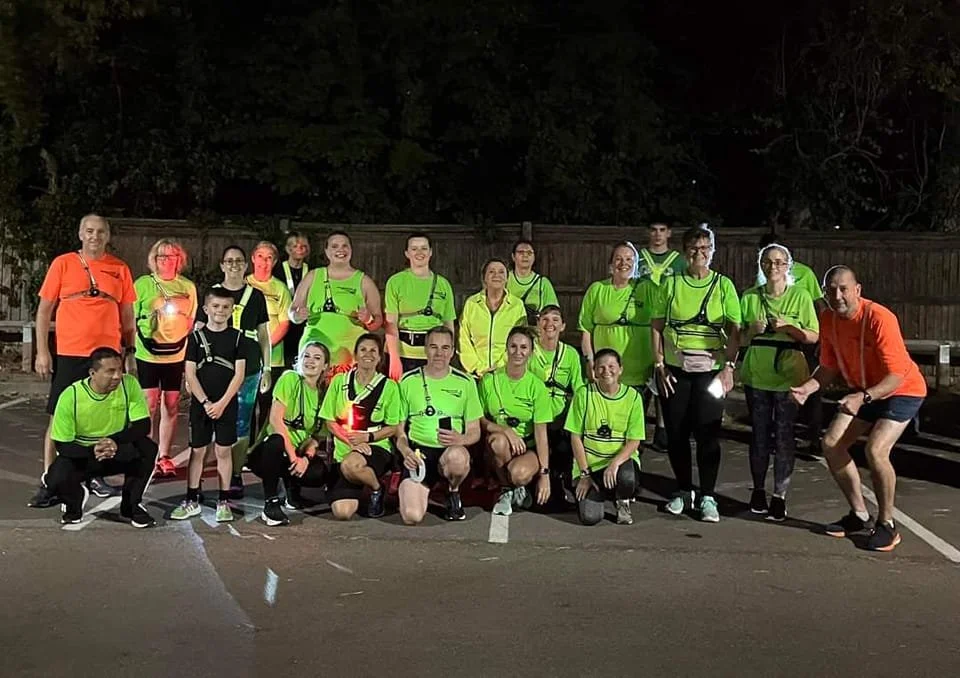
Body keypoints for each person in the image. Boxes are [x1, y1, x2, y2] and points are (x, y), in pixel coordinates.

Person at [790, 266, 926, 552]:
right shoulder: (828, 319)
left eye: (843, 289)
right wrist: (808, 387)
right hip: (866, 392)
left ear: (858, 290)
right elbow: (828, 367)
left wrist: (862, 397)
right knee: (831, 444)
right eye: (830, 290)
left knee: (876, 450)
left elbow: (896, 376)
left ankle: (887, 524)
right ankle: (860, 515)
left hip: (901, 390)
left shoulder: (879, 318)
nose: (837, 296)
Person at [30, 214, 137, 508]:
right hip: (71, 353)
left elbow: (127, 317)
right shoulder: (62, 264)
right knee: (59, 418)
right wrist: (43, 351)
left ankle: (93, 475)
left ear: (108, 235)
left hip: (107, 355)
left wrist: (130, 354)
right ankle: (49, 480)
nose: (95, 236)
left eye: (100, 231)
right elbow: (43, 312)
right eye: (89, 231)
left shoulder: (119, 269)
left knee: (101, 419)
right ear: (80, 233)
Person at [651, 225, 741, 523]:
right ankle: (683, 490)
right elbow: (657, 325)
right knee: (676, 434)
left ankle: (708, 496)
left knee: (708, 435)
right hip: (675, 371)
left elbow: (735, 328)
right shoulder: (671, 284)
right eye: (693, 249)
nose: (699, 254)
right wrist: (660, 364)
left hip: (710, 373)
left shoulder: (722, 285)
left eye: (705, 249)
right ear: (684, 252)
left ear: (712, 252)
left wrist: (729, 366)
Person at [740, 243, 819, 521]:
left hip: (789, 375)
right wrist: (752, 330)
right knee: (759, 434)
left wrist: (789, 328)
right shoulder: (749, 297)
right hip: (757, 373)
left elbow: (812, 336)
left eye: (779, 262)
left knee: (785, 436)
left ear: (788, 266)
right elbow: (738, 339)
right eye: (768, 262)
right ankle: (758, 490)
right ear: (761, 266)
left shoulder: (800, 297)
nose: (773, 267)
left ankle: (780, 496)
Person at [46, 347, 158, 527]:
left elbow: (142, 426)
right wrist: (93, 450)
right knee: (55, 478)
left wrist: (114, 441)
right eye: (110, 371)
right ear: (93, 373)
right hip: (83, 454)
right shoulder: (71, 396)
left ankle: (131, 507)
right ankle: (74, 504)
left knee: (147, 448)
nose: (117, 376)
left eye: (120, 370)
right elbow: (62, 446)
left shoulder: (129, 384)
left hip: (115, 450)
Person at [195, 246, 271, 498]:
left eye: (239, 261)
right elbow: (198, 331)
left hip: (247, 368)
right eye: (229, 261)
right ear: (222, 265)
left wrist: (267, 368)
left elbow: (263, 335)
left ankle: (235, 473)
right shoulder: (213, 295)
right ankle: (200, 480)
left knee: (241, 423)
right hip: (214, 370)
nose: (234, 265)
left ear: (245, 265)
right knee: (208, 422)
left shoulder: (256, 296)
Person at [172, 288, 247, 522]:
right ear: (206, 309)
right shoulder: (195, 338)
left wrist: (222, 403)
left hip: (226, 404)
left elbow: (239, 374)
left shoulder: (238, 338)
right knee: (198, 450)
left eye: (225, 307)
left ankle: (224, 501)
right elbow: (191, 374)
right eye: (215, 307)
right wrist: (205, 402)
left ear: (232, 310)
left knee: (224, 451)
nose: (220, 311)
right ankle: (192, 499)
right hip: (201, 404)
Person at [396, 326, 482, 524]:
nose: (439, 353)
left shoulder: (466, 382)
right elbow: (398, 431)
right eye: (433, 347)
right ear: (425, 349)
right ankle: (420, 490)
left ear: (452, 351)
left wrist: (461, 439)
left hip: (449, 453)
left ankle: (453, 491)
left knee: (458, 458)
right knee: (412, 516)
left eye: (445, 348)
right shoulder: (407, 381)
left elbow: (475, 431)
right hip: (419, 454)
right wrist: (406, 451)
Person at [758, 233, 828, 455]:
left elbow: (819, 305)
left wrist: (821, 337)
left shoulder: (804, 273)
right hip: (773, 342)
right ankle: (777, 435)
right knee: (776, 389)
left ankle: (814, 436)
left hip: (802, 337)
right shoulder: (762, 276)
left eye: (778, 258)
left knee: (811, 387)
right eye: (766, 257)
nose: (772, 265)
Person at [133, 238, 198, 477]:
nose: (166, 261)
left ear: (179, 260)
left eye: (171, 256)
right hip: (148, 353)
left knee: (171, 405)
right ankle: (146, 453)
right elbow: (131, 318)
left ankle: (165, 455)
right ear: (153, 259)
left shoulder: (187, 287)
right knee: (149, 403)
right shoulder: (142, 285)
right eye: (161, 256)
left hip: (175, 354)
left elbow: (191, 323)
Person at [248, 341, 330, 526]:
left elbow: (315, 438)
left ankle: (292, 490)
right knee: (276, 441)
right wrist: (294, 458)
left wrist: (306, 459)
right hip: (269, 451)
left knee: (319, 472)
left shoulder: (323, 394)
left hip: (296, 453)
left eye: (317, 358)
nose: (310, 361)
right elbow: (275, 420)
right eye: (306, 356)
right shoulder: (290, 378)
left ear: (325, 365)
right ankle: (271, 503)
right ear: (299, 359)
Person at [321, 334, 402, 520]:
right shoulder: (339, 381)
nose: (368, 354)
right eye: (363, 350)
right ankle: (357, 484)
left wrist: (368, 438)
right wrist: (350, 441)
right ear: (355, 355)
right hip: (345, 447)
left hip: (375, 447)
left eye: (373, 350)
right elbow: (329, 421)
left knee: (352, 465)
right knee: (342, 512)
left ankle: (376, 488)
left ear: (380, 357)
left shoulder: (389, 387)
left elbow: (393, 427)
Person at [564, 349, 645, 526]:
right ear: (594, 371)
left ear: (621, 369)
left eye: (611, 366)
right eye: (600, 367)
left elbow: (634, 441)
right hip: (590, 465)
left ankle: (622, 501)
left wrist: (615, 463)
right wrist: (584, 474)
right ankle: (598, 491)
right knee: (590, 517)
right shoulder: (584, 394)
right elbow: (575, 436)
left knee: (627, 478)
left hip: (618, 463)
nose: (606, 371)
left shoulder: (633, 397)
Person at [479, 327, 553, 516]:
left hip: (527, 446)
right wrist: (505, 430)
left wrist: (545, 474)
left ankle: (517, 484)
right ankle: (506, 489)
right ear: (506, 348)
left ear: (530, 351)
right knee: (498, 441)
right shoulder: (489, 380)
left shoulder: (537, 386)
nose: (518, 352)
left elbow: (541, 433)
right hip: (499, 445)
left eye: (523, 347)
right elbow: (479, 418)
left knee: (518, 474)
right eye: (513, 346)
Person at [289, 231, 383, 370]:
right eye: (335, 246)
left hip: (349, 352)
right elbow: (292, 311)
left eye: (345, 246)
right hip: (315, 350)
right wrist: (297, 316)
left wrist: (369, 319)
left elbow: (378, 320)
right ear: (326, 251)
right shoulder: (312, 276)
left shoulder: (364, 281)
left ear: (351, 250)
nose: (340, 250)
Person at [637, 221, 687, 451]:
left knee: (663, 374)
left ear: (669, 232)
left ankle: (662, 429)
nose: (657, 234)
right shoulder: (638, 258)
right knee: (639, 379)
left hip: (665, 321)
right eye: (653, 229)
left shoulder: (678, 260)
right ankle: (635, 429)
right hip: (638, 321)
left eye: (662, 230)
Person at [528, 305, 584, 502]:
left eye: (555, 320)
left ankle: (563, 482)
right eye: (544, 319)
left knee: (565, 442)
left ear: (563, 326)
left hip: (560, 416)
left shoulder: (570, 354)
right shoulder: (529, 350)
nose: (549, 324)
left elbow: (579, 389)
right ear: (537, 324)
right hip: (534, 414)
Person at [384, 232, 456, 379]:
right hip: (404, 353)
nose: (419, 252)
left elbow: (449, 324)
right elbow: (391, 324)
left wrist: (448, 356)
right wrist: (394, 359)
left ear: (430, 252)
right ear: (407, 253)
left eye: (423, 248)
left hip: (435, 355)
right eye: (414, 248)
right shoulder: (396, 282)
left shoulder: (443, 284)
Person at [578, 242, 649, 389]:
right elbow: (586, 329)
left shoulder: (647, 289)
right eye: (618, 259)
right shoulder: (597, 289)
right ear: (611, 265)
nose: (624, 263)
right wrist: (590, 361)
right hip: (606, 372)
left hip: (640, 373)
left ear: (636, 264)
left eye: (629, 259)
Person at [246, 241, 292, 435]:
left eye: (269, 258)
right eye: (260, 257)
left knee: (266, 407)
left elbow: (284, 322)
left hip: (272, 358)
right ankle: (241, 451)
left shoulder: (280, 289)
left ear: (274, 262)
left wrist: (265, 346)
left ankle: (260, 448)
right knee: (246, 407)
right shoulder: (244, 283)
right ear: (253, 258)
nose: (264, 262)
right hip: (245, 358)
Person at [458, 258, 526, 378]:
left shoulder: (517, 305)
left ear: (506, 278)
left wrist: (500, 366)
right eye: (491, 272)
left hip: (507, 372)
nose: (496, 275)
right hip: (475, 374)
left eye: (501, 272)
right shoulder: (472, 303)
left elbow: (521, 339)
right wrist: (477, 368)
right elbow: (463, 338)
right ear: (484, 277)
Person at [273, 231, 311, 369]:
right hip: (283, 325)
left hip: (304, 325)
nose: (300, 249)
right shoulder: (276, 270)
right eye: (295, 246)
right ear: (288, 249)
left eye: (303, 246)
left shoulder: (313, 271)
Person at [506, 239, 559, 325]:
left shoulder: (543, 283)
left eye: (529, 253)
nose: (525, 256)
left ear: (534, 257)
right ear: (513, 256)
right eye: (521, 252)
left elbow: (552, 312)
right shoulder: (504, 279)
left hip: (533, 331)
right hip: (507, 328)